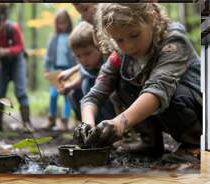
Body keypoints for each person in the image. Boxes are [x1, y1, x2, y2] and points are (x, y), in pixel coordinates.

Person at [75, 3, 202, 157]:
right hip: (167, 104)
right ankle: (150, 143)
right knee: (121, 84)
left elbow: (158, 89)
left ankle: (193, 143)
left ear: (152, 17)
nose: (128, 46)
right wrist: (87, 124)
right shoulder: (120, 55)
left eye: (134, 35)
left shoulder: (173, 40)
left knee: (170, 92)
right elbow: (94, 94)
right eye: (119, 40)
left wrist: (118, 123)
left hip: (197, 106)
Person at [0, 3, 33, 131]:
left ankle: (27, 123)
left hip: (17, 61)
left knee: (20, 91)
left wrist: (6, 51)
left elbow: (20, 47)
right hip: (2, 64)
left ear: (4, 21)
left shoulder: (13, 28)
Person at [58, 21, 115, 124]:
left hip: (111, 105)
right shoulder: (87, 66)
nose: (83, 60)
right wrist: (69, 86)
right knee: (75, 94)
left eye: (87, 54)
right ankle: (90, 127)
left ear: (99, 47)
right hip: (93, 105)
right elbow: (85, 76)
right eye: (78, 56)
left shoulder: (108, 62)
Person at [42, 9, 77, 131]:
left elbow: (76, 55)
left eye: (64, 23)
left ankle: (64, 121)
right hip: (55, 71)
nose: (61, 26)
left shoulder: (72, 37)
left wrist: (76, 70)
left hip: (69, 70)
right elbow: (48, 55)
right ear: (56, 24)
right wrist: (46, 68)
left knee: (67, 96)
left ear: (68, 23)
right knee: (53, 95)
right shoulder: (54, 38)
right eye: (59, 23)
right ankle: (51, 119)